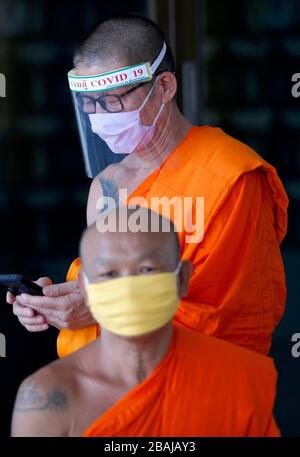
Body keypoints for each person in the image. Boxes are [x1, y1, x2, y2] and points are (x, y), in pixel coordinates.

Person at [8, 13, 288, 357]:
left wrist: (100, 308)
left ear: (165, 87)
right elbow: (98, 285)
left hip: (196, 386)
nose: (101, 115)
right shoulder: (106, 186)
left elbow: (229, 313)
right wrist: (54, 303)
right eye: (90, 104)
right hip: (107, 386)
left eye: (113, 99)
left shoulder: (232, 176)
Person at [11, 207, 280, 437]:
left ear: (182, 278)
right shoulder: (46, 397)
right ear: (85, 287)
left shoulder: (239, 379)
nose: (128, 287)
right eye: (109, 273)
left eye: (146, 270)